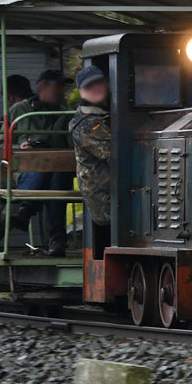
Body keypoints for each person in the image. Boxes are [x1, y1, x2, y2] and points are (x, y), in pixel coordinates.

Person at [10, 68, 74, 256]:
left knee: (56, 172)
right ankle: (57, 239)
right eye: (58, 86)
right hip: (27, 171)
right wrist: (21, 147)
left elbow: (72, 147)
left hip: (58, 170)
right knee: (46, 169)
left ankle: (26, 210)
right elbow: (2, 144)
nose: (62, 91)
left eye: (63, 87)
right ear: (43, 86)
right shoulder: (19, 110)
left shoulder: (66, 115)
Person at [70, 65, 112, 257]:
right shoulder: (85, 124)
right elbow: (112, 153)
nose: (96, 88)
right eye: (89, 86)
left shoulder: (104, 114)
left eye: (98, 83)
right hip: (104, 198)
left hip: (117, 191)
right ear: (81, 91)